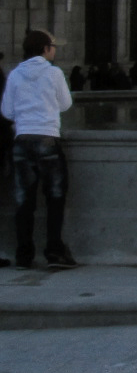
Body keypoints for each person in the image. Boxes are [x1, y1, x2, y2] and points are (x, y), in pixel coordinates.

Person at [1, 29, 75, 269]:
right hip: (47, 138)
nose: (54, 50)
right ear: (45, 49)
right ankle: (54, 252)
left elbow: (7, 112)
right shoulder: (54, 73)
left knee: (24, 201)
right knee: (54, 196)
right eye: (53, 46)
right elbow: (65, 104)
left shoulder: (14, 74)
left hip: (22, 140)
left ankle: (24, 255)